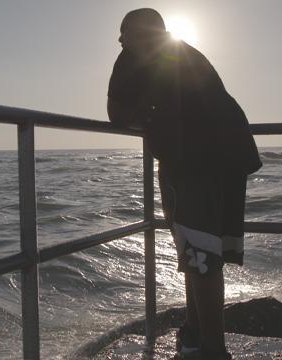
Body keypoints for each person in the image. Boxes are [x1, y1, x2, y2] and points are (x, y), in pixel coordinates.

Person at [107, 8, 262, 359]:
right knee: (199, 250)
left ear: (140, 33)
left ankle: (213, 350)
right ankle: (195, 333)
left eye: (123, 33)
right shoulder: (184, 51)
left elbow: (116, 115)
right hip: (229, 154)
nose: (119, 40)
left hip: (196, 160)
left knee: (201, 255)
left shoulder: (134, 60)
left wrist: (145, 112)